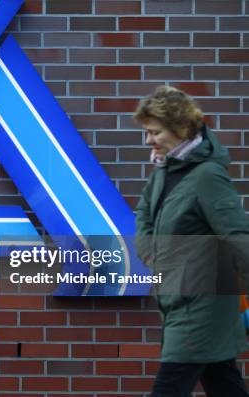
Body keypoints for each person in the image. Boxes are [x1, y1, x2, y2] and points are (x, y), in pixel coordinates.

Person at [134, 86, 249, 396]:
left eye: (155, 132)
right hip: (177, 297)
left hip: (202, 304)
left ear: (182, 129)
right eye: (147, 133)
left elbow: (238, 235)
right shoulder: (163, 173)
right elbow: (144, 213)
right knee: (224, 383)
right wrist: (150, 255)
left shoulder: (207, 176)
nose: (149, 141)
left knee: (168, 388)